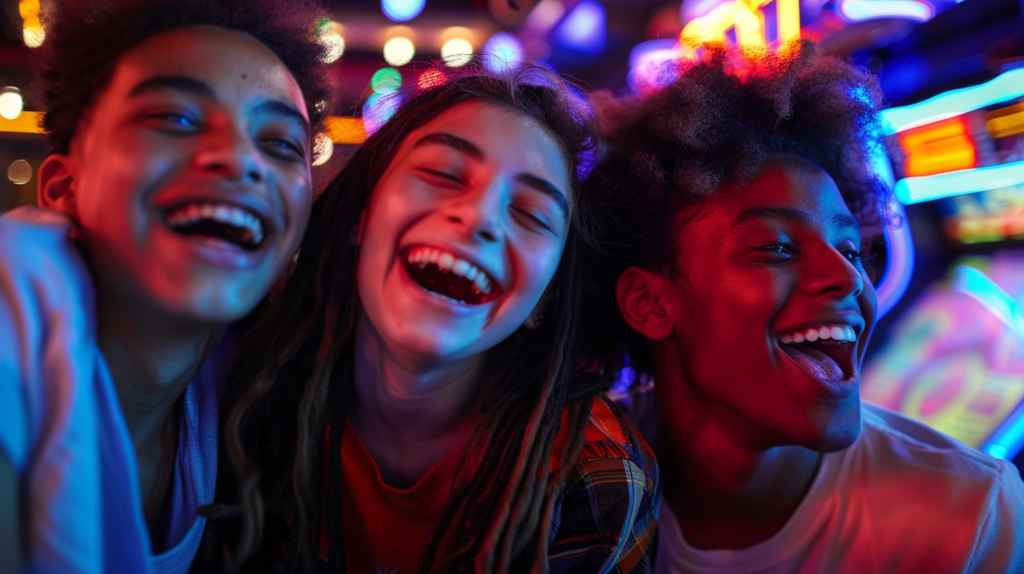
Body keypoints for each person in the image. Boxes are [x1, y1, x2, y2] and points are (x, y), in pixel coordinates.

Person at [586, 41, 1024, 574]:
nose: (849, 278)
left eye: (852, 250)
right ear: (649, 303)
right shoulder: (567, 484)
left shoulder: (966, 514)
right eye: (776, 247)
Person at [213, 66, 660, 573]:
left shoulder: (595, 477)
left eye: (532, 215)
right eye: (442, 174)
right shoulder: (243, 402)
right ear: (362, 213)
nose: (479, 218)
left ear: (544, 298)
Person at [0, 0, 331, 572]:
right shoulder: (16, 298)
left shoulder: (256, 387)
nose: (240, 159)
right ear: (63, 188)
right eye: (176, 118)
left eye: (280, 143)